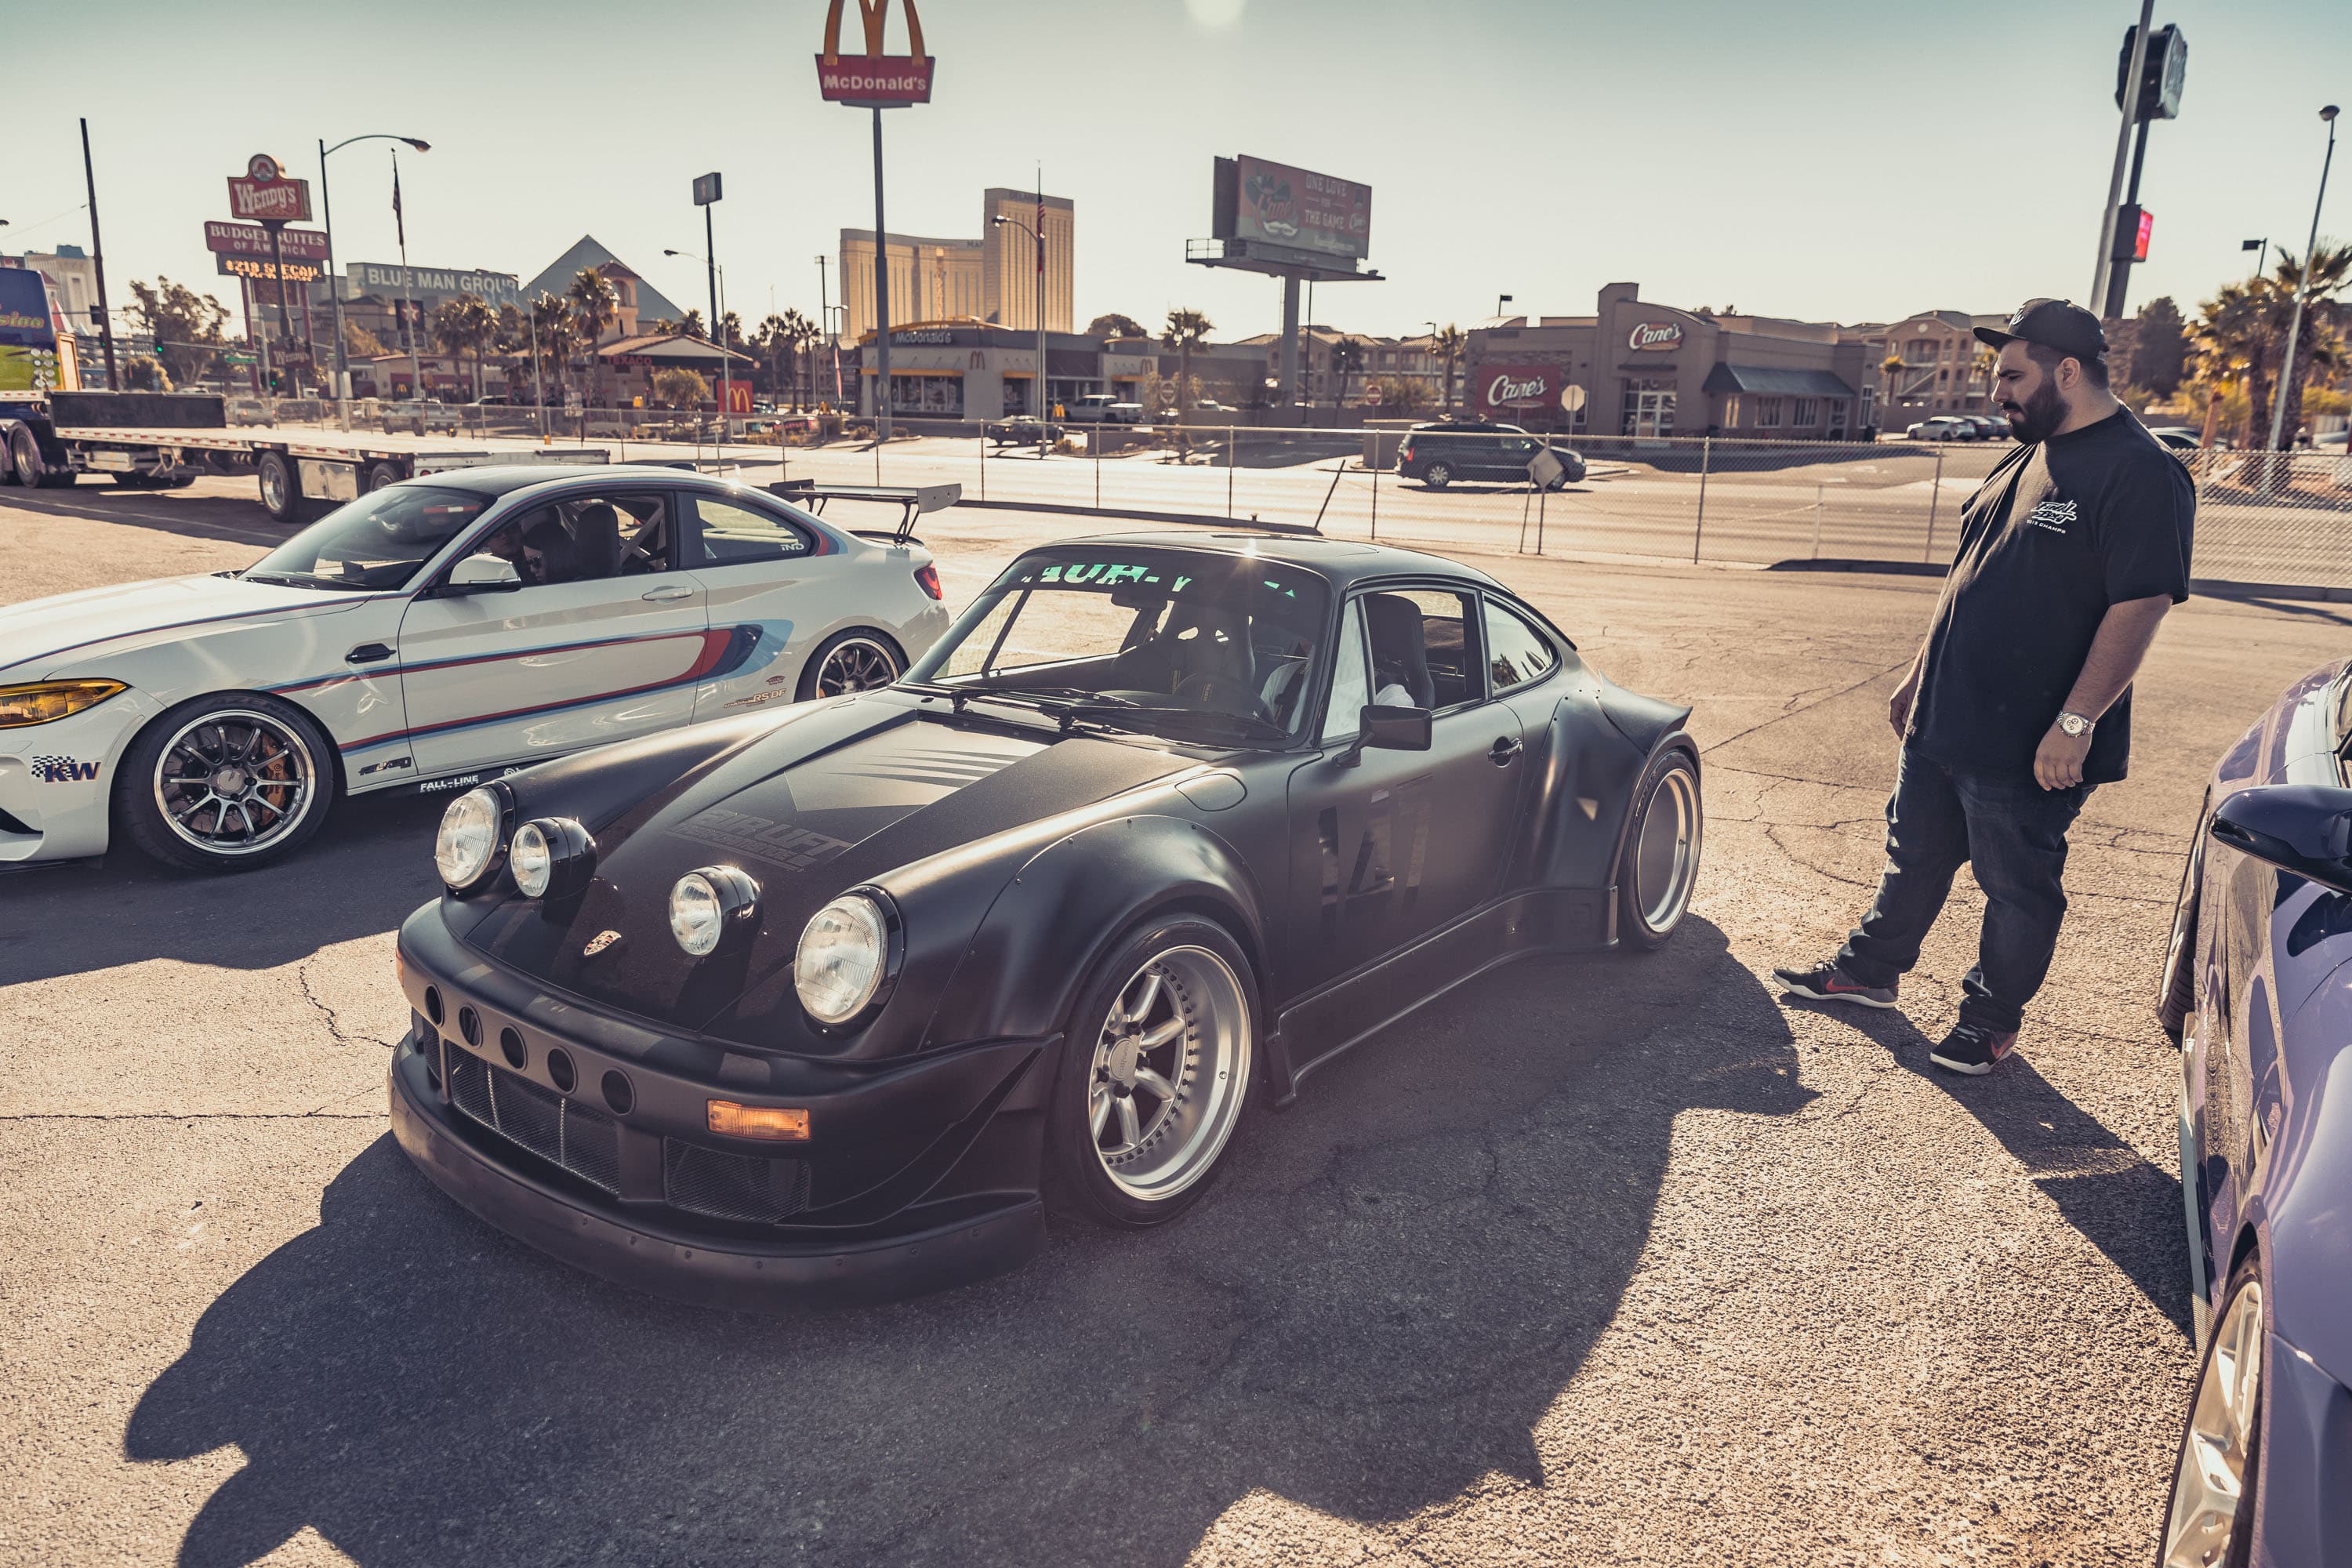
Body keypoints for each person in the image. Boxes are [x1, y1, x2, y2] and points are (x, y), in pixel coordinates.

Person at [1773, 299, 2195, 1075]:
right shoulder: (2029, 451)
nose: (1994, 393)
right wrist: (1917, 674)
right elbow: (1968, 575)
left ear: (2067, 371)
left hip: (2028, 739)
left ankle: (1991, 1018)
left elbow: (2141, 603)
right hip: (1947, 714)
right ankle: (1870, 971)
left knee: (2017, 885)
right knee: (1914, 854)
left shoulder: (2141, 470)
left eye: (2010, 375)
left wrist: (2075, 721)